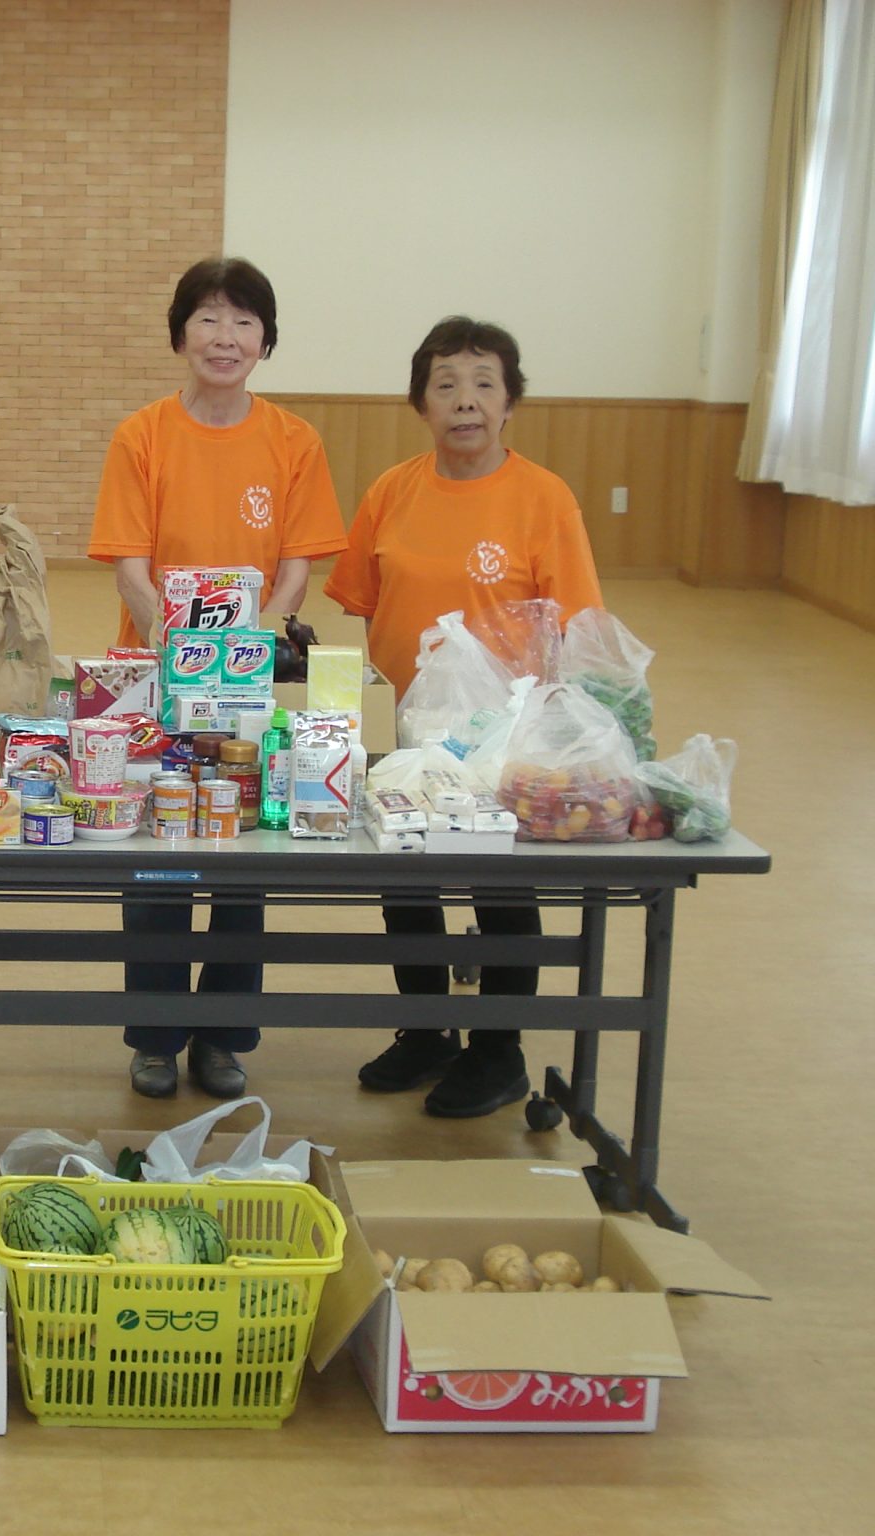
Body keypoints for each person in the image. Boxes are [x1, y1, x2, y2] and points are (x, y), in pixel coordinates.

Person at [325, 316, 603, 1117]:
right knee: (404, 882)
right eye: (445, 385)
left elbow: (576, 628)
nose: (466, 401)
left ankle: (499, 1050)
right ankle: (427, 1030)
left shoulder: (544, 499)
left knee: (500, 889)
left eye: (484, 383)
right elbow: (362, 603)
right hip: (407, 729)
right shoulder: (391, 491)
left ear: (511, 401)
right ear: (422, 403)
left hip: (501, 738)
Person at [88, 257, 346, 1100]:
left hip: (246, 685)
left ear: (266, 340)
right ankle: (156, 1035)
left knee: (246, 853)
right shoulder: (143, 435)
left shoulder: (293, 440)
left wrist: (246, 643)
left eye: (243, 320)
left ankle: (225, 1036)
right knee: (158, 853)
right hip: (158, 679)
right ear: (179, 334)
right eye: (207, 317)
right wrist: (178, 645)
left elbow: (298, 567)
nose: (225, 336)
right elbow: (131, 566)